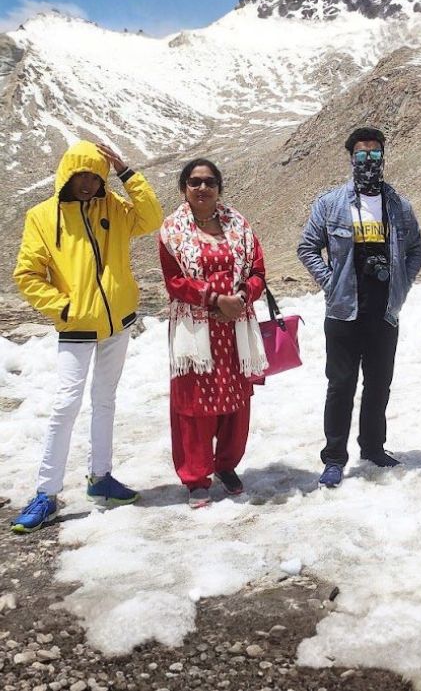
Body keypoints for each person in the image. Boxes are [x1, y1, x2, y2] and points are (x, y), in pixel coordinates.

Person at [11, 140, 163, 533]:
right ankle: (46, 493)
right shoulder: (42, 217)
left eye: (96, 176)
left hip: (118, 323)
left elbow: (151, 218)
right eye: (81, 175)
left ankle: (101, 478)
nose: (88, 183)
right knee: (65, 405)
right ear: (67, 174)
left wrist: (127, 171)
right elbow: (27, 275)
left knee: (105, 401)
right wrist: (64, 308)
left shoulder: (113, 207)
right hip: (76, 326)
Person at [297, 127, 421, 488]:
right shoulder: (330, 204)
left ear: (383, 157)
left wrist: (401, 285)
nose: (368, 162)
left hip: (384, 311)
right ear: (351, 159)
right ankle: (334, 458)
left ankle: (373, 447)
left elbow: (417, 250)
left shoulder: (399, 206)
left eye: (374, 155)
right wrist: (330, 282)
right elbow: (307, 247)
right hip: (343, 312)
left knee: (379, 384)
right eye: (361, 156)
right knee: (340, 385)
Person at [159, 159, 268, 508]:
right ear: (183, 189)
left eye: (209, 182)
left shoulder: (239, 225)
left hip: (235, 327)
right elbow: (175, 281)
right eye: (194, 182)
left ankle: (226, 465)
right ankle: (195, 477)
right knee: (195, 406)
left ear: (219, 187)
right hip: (196, 331)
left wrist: (242, 297)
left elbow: (258, 272)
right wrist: (215, 300)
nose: (202, 188)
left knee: (235, 402)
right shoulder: (172, 231)